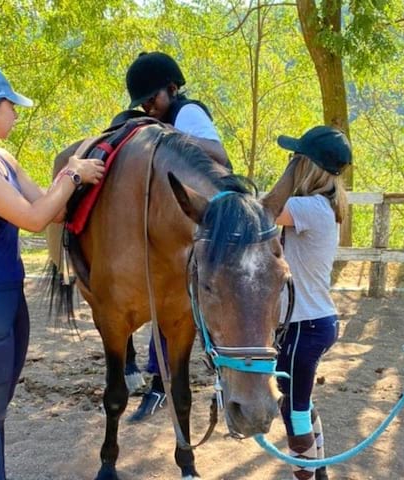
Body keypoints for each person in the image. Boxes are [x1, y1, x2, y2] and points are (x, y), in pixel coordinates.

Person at [0, 60, 105, 480]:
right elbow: (31, 218)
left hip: (9, 299)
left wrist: (80, 176)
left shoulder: (3, 158)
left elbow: (53, 210)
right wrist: (71, 172)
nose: (15, 112)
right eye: (11, 105)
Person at [123, 51, 231, 423]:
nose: (149, 107)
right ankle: (158, 377)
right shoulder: (165, 116)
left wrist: (166, 136)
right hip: (171, 224)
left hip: (199, 225)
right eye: (143, 103)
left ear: (172, 88)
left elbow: (220, 156)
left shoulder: (187, 114)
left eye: (152, 99)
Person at [274, 125, 352, 480]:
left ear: (307, 166)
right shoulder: (321, 207)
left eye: (296, 158)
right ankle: (319, 472)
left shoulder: (306, 207)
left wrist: (289, 174)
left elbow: (261, 210)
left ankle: (307, 476)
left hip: (305, 324)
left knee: (294, 411)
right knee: (297, 403)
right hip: (314, 320)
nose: (290, 162)